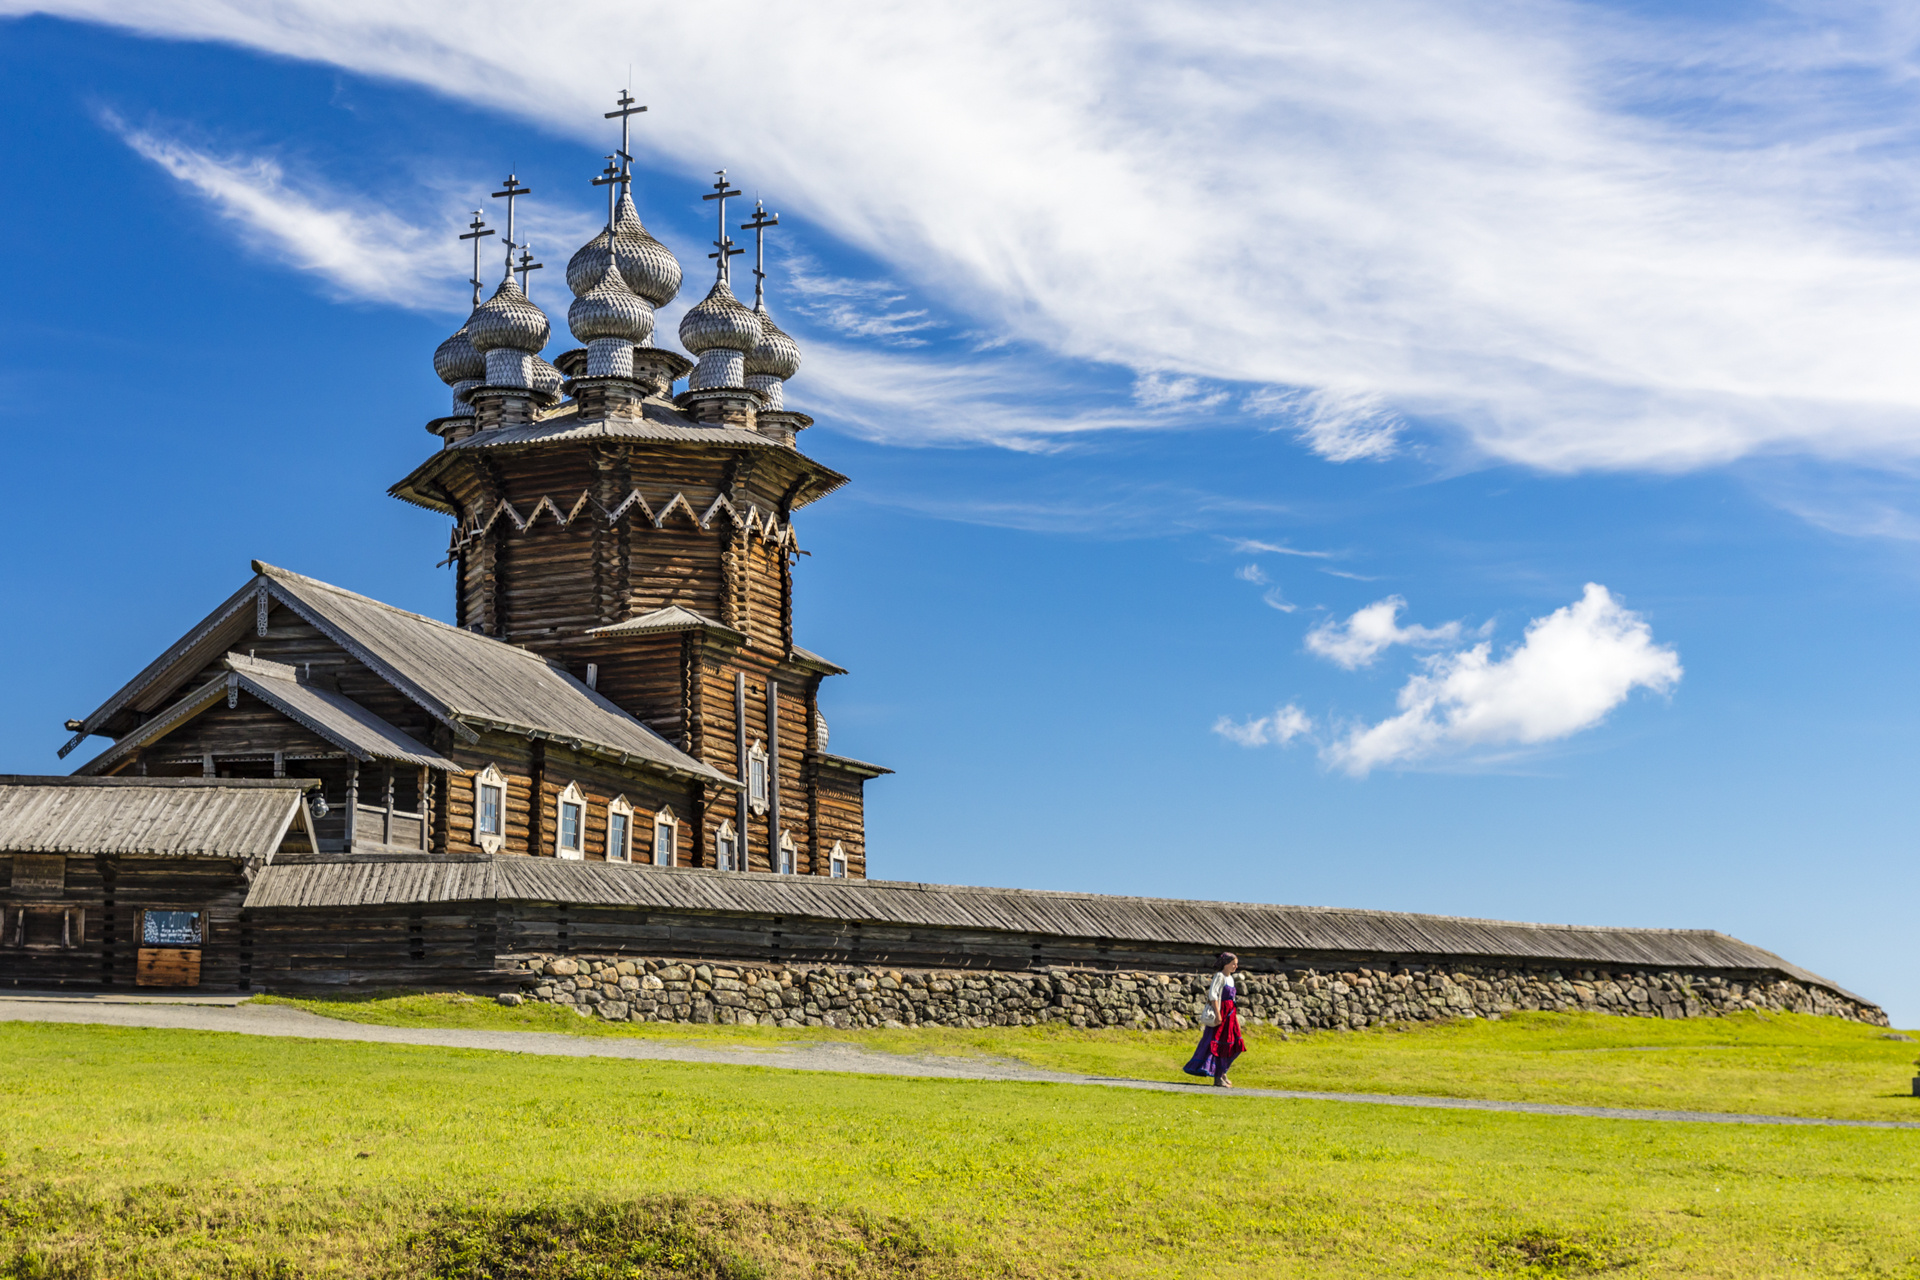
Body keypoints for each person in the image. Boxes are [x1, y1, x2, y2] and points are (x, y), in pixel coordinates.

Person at [1182, 951, 1246, 1087]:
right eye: (1233, 964)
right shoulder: (1219, 976)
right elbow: (1213, 996)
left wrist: (1234, 1016)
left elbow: (1232, 999)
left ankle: (1223, 1072)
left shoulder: (1231, 978)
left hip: (1230, 1014)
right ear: (1226, 964)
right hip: (1221, 1013)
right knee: (1218, 1044)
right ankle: (1217, 1077)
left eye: (1236, 964)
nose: (1236, 966)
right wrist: (1218, 1014)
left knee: (1234, 1044)